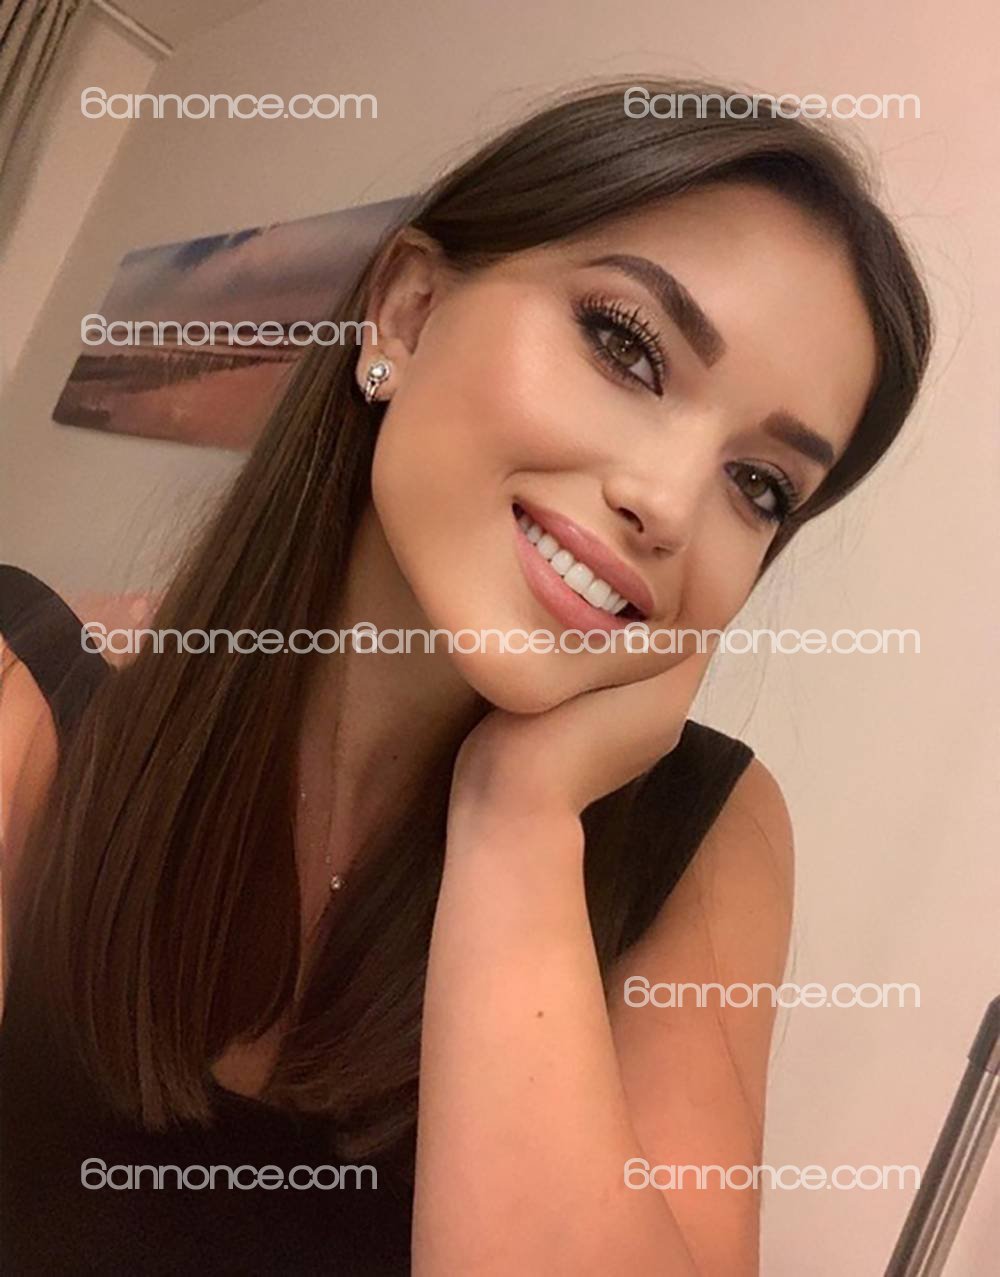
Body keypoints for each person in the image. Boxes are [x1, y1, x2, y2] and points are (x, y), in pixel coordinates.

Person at [0, 76, 932, 1275]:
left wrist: (520, 815)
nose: (666, 504)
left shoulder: (703, 835)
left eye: (759, 484)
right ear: (408, 312)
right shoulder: (33, 684)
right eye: (626, 347)